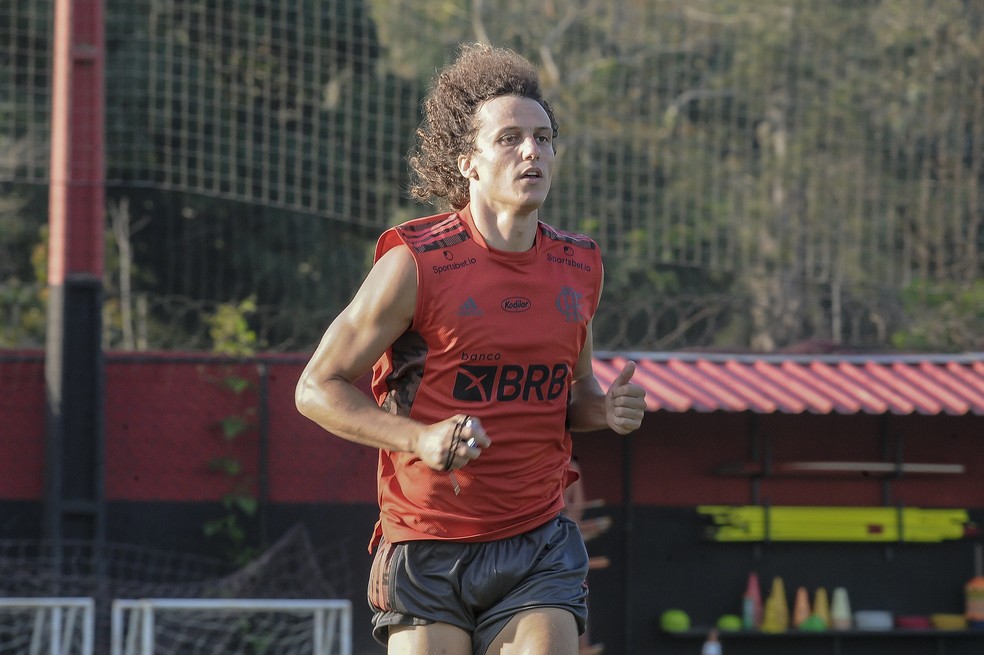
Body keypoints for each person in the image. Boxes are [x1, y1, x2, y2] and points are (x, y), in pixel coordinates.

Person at [295, 41, 647, 655]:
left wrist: (606, 410)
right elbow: (314, 388)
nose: (531, 151)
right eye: (510, 138)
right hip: (426, 540)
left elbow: (572, 397)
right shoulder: (416, 263)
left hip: (537, 539)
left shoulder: (579, 264)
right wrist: (421, 440)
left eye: (543, 137)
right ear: (468, 162)